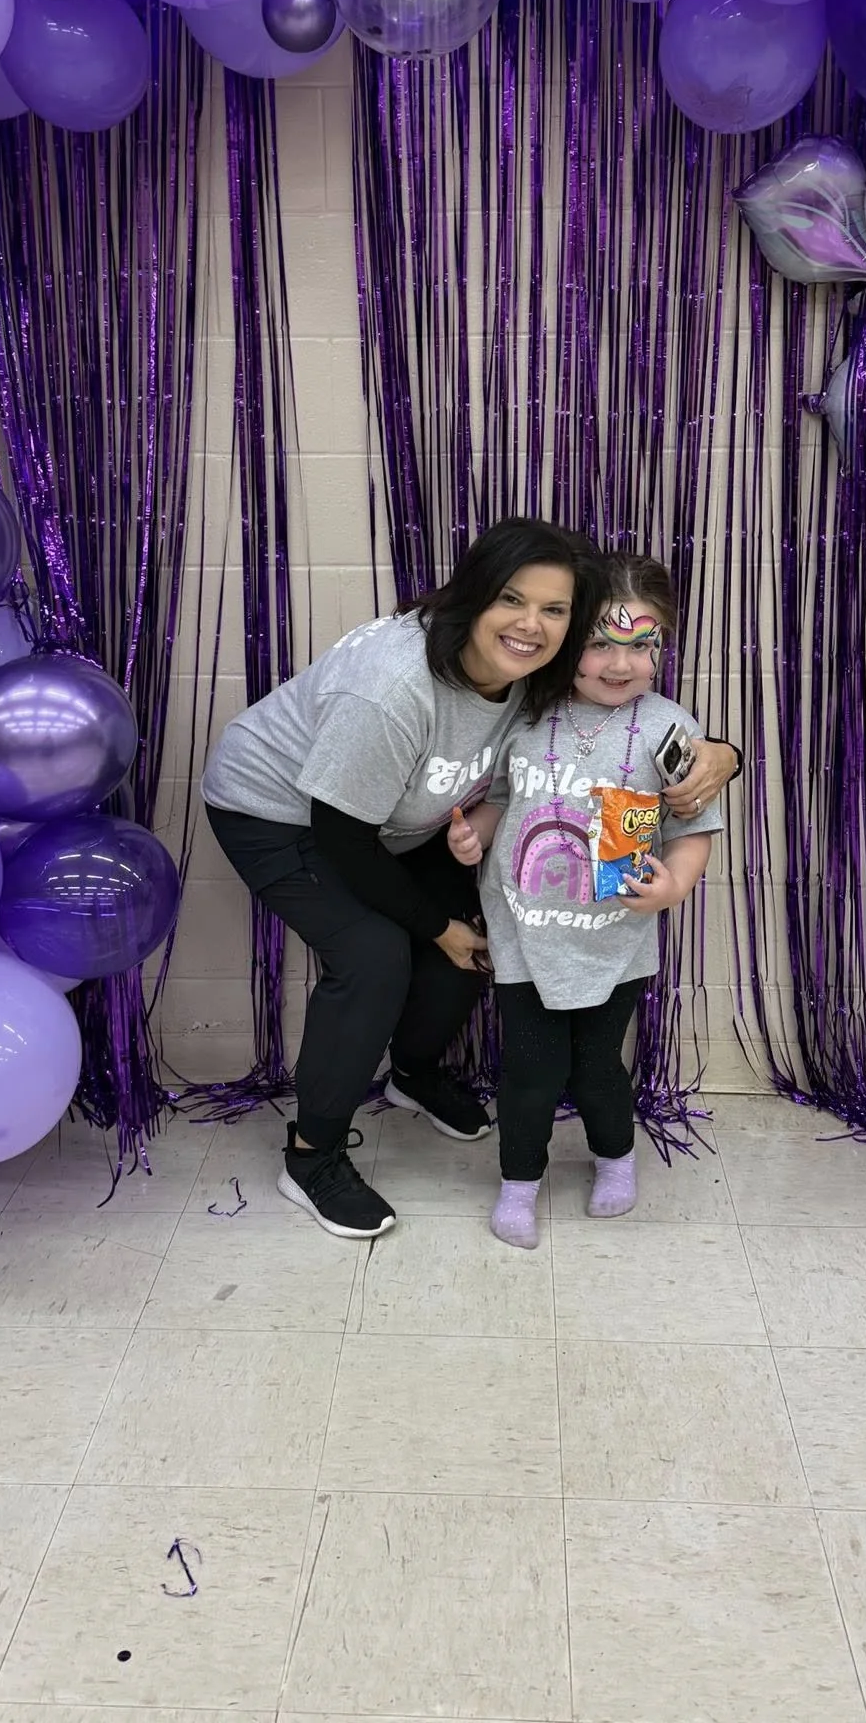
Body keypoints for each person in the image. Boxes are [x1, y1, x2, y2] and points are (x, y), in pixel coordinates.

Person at [202, 519, 737, 1240]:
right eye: (513, 600)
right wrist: (436, 927)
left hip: (395, 817)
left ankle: (415, 1073)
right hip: (283, 812)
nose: (531, 625)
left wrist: (723, 753)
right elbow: (341, 837)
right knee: (375, 957)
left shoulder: (543, 669)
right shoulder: (392, 688)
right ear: (473, 593)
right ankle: (312, 1155)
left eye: (554, 611)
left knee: (479, 931)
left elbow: (635, 724)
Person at [447, 553, 722, 1250]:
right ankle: (518, 1182)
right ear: (571, 642)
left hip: (615, 945)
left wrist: (676, 883)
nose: (618, 664)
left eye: (641, 644)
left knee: (598, 1069)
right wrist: (472, 836)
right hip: (523, 937)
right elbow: (502, 800)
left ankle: (616, 1160)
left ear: (665, 645)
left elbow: (692, 827)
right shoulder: (527, 712)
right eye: (600, 642)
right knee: (531, 1071)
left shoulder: (668, 728)